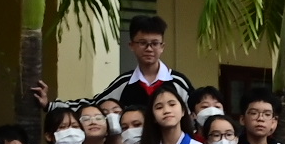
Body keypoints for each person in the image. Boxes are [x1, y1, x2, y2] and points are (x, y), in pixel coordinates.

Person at [40, 14, 194, 114]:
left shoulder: (178, 82)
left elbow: (198, 109)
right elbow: (93, 105)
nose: (149, 49)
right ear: (131, 46)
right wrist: (50, 105)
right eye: (142, 43)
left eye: (154, 43)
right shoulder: (123, 83)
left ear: (162, 47)